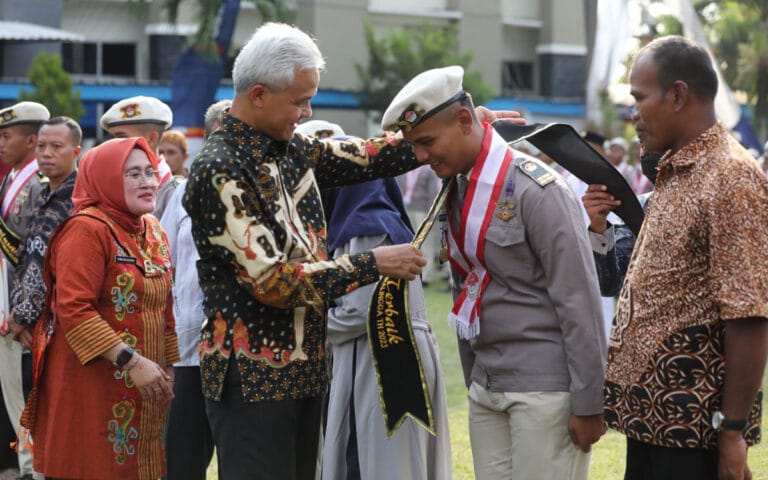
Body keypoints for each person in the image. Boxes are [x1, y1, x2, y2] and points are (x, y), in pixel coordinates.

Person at [182, 22, 517, 480]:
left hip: (305, 373)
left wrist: (453, 127)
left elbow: (372, 154)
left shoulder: (291, 150)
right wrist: (372, 263)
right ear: (258, 95)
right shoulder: (219, 169)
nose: (307, 112)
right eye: (299, 101)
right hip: (251, 383)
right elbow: (272, 282)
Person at [382, 65, 607, 480]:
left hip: (543, 388)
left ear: (465, 120)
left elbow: (579, 302)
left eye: (427, 142)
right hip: (487, 384)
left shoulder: (538, 190)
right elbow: (465, 286)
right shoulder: (457, 188)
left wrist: (589, 403)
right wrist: (474, 380)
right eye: (415, 145)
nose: (421, 156)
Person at [603, 35, 768, 480]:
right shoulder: (676, 169)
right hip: (654, 425)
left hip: (693, 434)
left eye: (639, 98)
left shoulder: (731, 177)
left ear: (678, 95)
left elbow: (749, 315)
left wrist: (731, 432)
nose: (632, 113)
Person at [295, 119, 451, 480]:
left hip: (379, 361)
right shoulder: (374, 221)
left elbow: (357, 312)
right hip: (386, 353)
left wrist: (300, 326)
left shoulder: (366, 227)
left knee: (370, 462)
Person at [22, 137, 179, 480]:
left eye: (150, 172)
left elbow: (166, 301)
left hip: (144, 385)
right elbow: (74, 308)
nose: (147, 182)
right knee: (92, 467)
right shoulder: (87, 229)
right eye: (133, 174)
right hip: (91, 382)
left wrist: (168, 365)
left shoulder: (153, 230)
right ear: (105, 177)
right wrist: (132, 361)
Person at [159, 122, 219, 480]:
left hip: (242, 353)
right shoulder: (185, 194)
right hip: (188, 350)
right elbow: (164, 260)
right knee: (182, 455)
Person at [0, 101, 49, 480]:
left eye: (6, 135)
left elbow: (36, 257)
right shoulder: (12, 177)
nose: (0, 142)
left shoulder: (38, 184)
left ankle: (32, 470)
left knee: (27, 402)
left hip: (25, 316)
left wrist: (21, 313)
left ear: (32, 140)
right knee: (13, 399)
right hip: (7, 308)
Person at [100, 95, 178, 217]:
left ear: (152, 139)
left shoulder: (174, 194)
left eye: (122, 137)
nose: (115, 145)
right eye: (113, 138)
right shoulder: (110, 185)